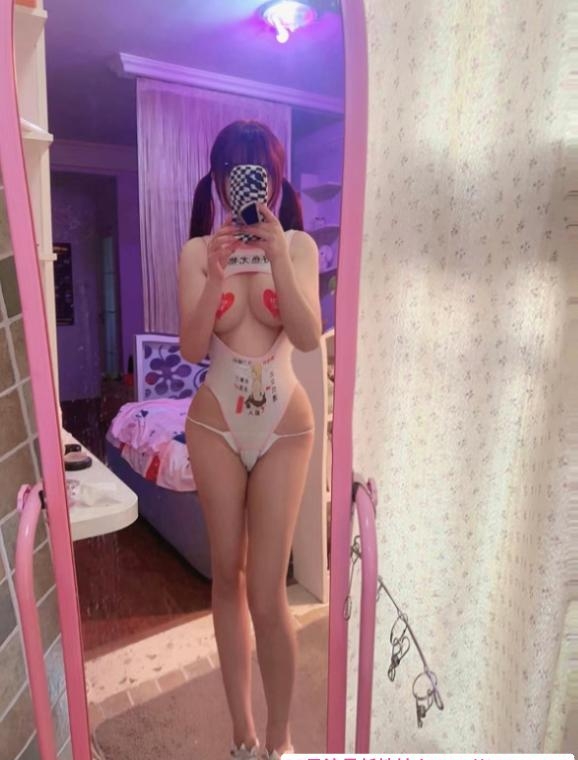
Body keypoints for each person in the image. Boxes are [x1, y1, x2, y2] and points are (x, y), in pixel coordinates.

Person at [179, 120, 322, 760]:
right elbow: (190, 348)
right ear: (218, 181)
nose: (246, 186)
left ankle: (279, 739)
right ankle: (242, 734)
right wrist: (213, 274)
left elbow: (308, 336)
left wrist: (276, 256)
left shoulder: (299, 246)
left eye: (258, 173)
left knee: (268, 592)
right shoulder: (195, 251)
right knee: (227, 577)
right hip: (215, 422)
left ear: (275, 180)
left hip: (284, 427)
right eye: (233, 174)